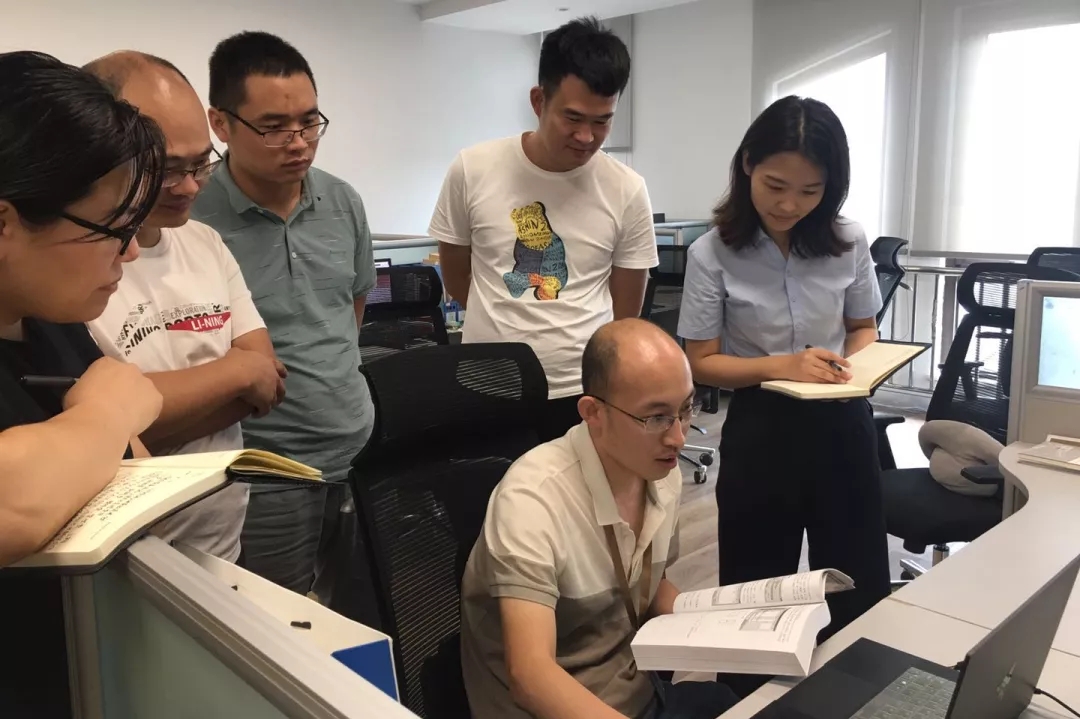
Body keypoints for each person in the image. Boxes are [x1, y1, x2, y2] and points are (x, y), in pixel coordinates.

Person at [678, 96, 890, 646]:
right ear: (748, 163)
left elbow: (863, 327)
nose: (790, 204)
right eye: (776, 185)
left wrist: (853, 365)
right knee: (753, 589)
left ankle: (856, 685)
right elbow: (701, 361)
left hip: (842, 423)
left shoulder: (847, 241)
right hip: (762, 431)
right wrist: (786, 366)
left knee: (857, 583)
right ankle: (747, 691)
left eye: (810, 191)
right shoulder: (711, 253)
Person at [460, 318, 738, 719]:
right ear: (593, 413)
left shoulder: (661, 473)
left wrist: (728, 628)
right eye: (656, 418)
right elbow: (530, 676)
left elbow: (649, 586)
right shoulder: (531, 500)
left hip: (633, 693)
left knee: (732, 701)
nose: (678, 437)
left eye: (684, 410)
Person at [0, 51, 165, 717]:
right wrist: (107, 409)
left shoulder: (50, 322)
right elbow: (14, 502)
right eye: (113, 230)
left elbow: (130, 474)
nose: (132, 252)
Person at [191, 31, 376, 603]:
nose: (298, 143)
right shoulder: (192, 218)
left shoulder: (342, 201)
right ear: (221, 124)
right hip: (264, 467)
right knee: (278, 623)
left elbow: (351, 310)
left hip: (361, 450)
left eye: (310, 122)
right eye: (273, 126)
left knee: (364, 611)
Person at [83, 51, 286, 563]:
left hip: (222, 541)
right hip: (127, 557)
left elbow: (266, 381)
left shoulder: (205, 243)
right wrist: (235, 372)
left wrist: (153, 414)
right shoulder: (76, 268)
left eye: (201, 164)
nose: (191, 185)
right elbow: (95, 428)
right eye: (168, 169)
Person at [429, 16, 658, 442]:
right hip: (489, 382)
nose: (586, 137)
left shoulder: (627, 189)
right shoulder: (473, 169)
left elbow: (626, 309)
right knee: (487, 486)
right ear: (539, 101)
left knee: (581, 488)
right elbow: (458, 278)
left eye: (602, 121)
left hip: (582, 389)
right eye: (572, 118)